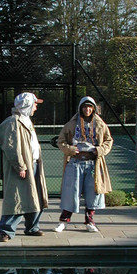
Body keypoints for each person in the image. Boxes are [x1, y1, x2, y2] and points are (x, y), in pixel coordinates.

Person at [0, 93, 48, 242]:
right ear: (27, 105)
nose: (36, 107)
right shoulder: (13, 121)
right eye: (35, 104)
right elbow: (11, 146)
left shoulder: (26, 120)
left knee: (35, 197)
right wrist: (20, 166)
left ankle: (32, 227)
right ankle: (6, 230)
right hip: (23, 167)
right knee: (16, 198)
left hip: (33, 164)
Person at [55, 97, 113, 233]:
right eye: (85, 107)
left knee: (93, 193)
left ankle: (90, 222)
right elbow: (61, 141)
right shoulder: (71, 124)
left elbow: (108, 140)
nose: (87, 109)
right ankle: (63, 221)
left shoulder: (100, 124)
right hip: (75, 162)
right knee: (70, 192)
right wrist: (69, 149)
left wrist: (99, 150)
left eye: (90, 107)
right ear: (80, 108)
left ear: (94, 108)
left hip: (93, 164)